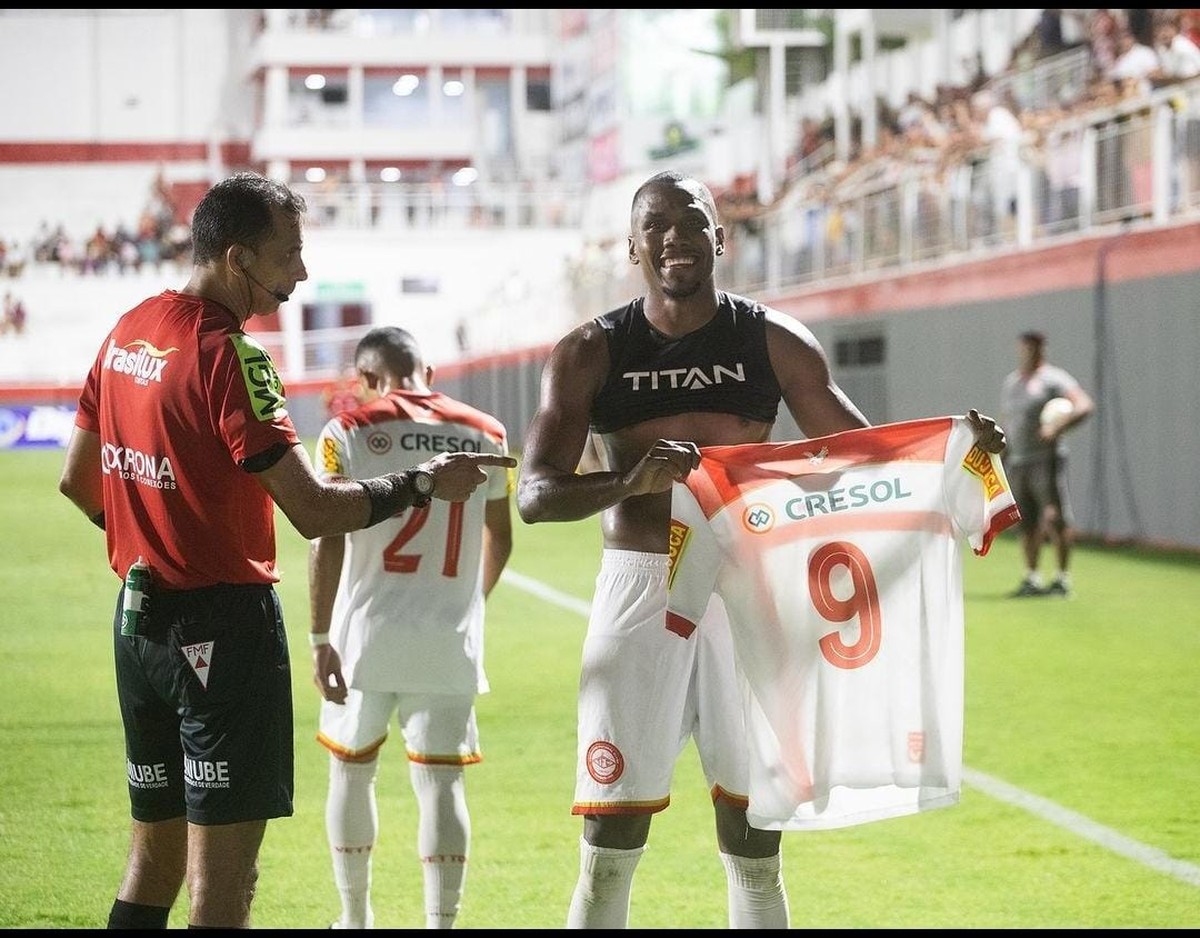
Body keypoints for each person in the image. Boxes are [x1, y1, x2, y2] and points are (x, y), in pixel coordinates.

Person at [515, 169, 1007, 929]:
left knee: (754, 838)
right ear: (632, 245)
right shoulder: (590, 350)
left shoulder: (772, 340)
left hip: (750, 588)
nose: (676, 236)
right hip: (641, 589)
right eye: (657, 223)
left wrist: (958, 455)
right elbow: (536, 495)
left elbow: (858, 459)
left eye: (693, 221)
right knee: (610, 840)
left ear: (722, 237)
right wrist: (631, 481)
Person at [56, 171, 516, 930]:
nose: (301, 272)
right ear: (238, 258)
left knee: (152, 860)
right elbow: (312, 511)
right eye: (290, 254)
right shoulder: (233, 357)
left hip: (139, 625)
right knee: (225, 888)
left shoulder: (128, 329)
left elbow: (78, 480)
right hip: (224, 629)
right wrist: (424, 482)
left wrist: (159, 537)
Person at [308, 325, 514, 930]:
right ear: (430, 371)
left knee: (351, 769)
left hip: (365, 634)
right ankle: (441, 924)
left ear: (367, 379)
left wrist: (320, 639)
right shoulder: (486, 432)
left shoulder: (347, 429)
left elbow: (328, 536)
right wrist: (467, 605)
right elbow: (500, 536)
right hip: (449, 637)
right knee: (443, 785)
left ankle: (354, 919)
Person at [999, 330, 1095, 598]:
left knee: (1056, 518)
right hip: (1018, 461)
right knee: (1026, 521)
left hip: (1046, 459)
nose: (1029, 351)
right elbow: (1008, 423)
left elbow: (1084, 405)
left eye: (1035, 346)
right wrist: (1001, 457)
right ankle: (1031, 578)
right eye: (1026, 346)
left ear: (1042, 349)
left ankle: (1062, 579)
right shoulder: (1012, 382)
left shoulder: (1054, 379)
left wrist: (1058, 427)